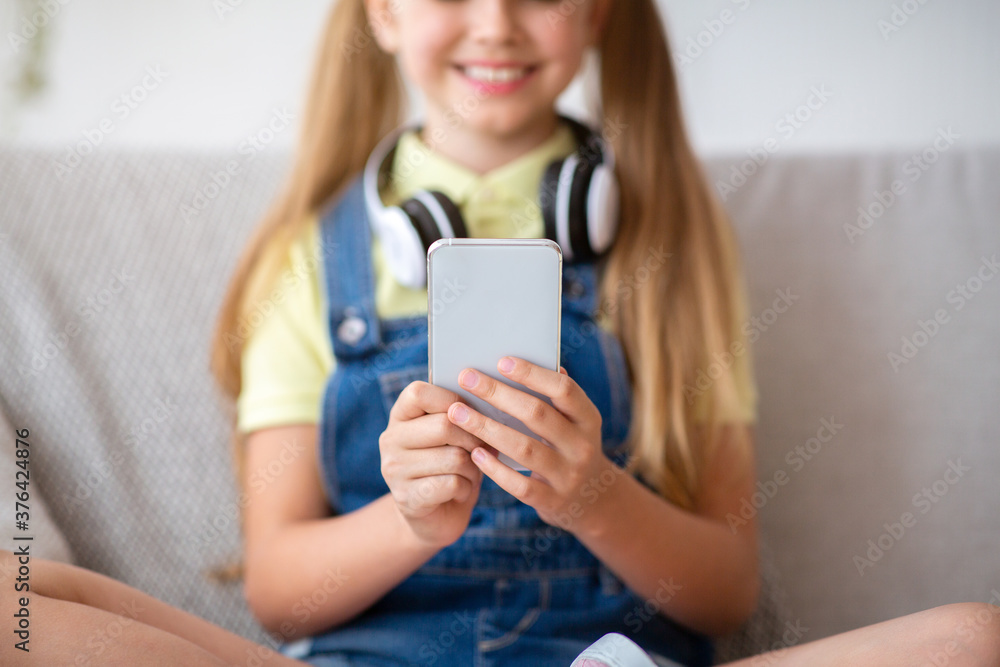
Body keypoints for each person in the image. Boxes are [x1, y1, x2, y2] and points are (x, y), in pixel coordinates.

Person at [3, 1, 998, 666]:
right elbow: (279, 593)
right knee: (21, 601)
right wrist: (408, 521)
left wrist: (599, 497)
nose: (496, 22)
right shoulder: (305, 261)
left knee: (971, 637)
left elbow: (724, 591)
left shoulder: (678, 248)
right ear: (383, 11)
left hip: (601, 659)